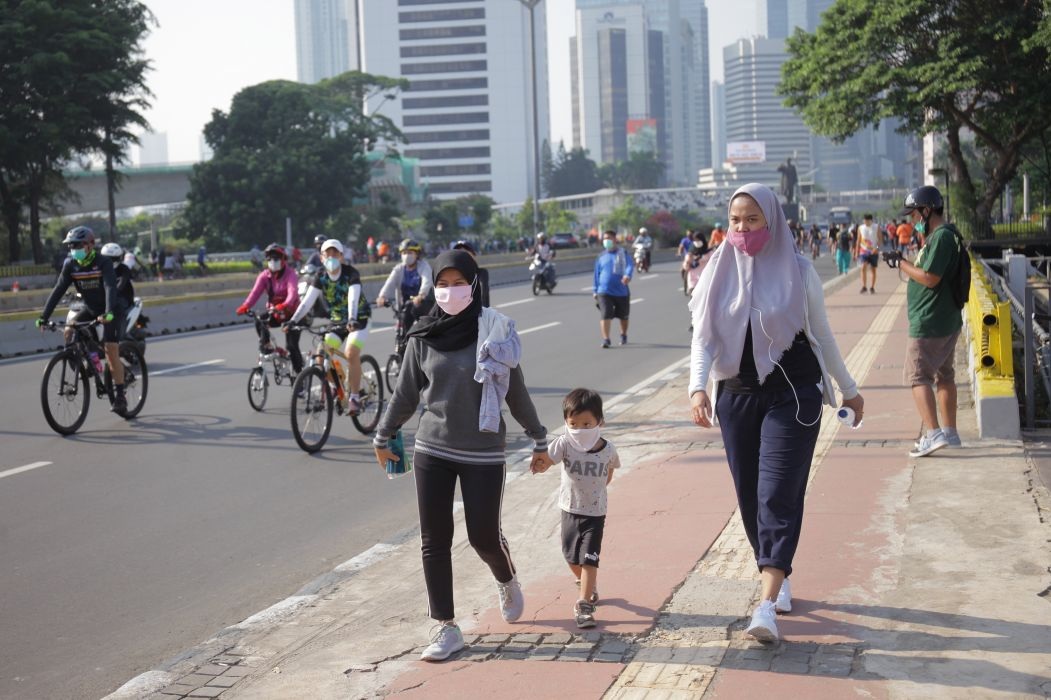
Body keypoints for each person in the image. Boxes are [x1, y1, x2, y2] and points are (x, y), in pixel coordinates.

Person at [688, 183, 864, 643]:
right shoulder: (714, 271)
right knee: (749, 494)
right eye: (735, 220)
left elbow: (822, 335)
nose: (742, 229)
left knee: (777, 493)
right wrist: (696, 389)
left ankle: (765, 604)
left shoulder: (800, 272)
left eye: (752, 220)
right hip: (736, 396)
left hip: (794, 393)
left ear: (772, 221)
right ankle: (779, 573)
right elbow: (704, 337)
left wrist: (850, 389)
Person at [371, 250, 548, 662]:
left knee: (483, 536)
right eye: (442, 283)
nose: (449, 291)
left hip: (484, 450)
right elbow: (406, 392)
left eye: (458, 283)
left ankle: (505, 578)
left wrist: (539, 439)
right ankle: (446, 627)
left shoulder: (495, 332)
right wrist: (384, 433)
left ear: (474, 285)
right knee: (434, 540)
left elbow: (515, 392)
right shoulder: (423, 334)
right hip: (432, 447)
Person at [530, 388, 617, 629]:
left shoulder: (608, 449)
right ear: (566, 423)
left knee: (590, 558)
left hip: (596, 512)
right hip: (570, 509)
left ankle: (584, 605)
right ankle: (587, 585)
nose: (580, 429)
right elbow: (548, 460)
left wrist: (601, 487)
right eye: (574, 423)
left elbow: (610, 470)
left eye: (587, 423)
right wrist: (539, 463)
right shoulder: (565, 443)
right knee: (570, 556)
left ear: (600, 421)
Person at [892, 185, 964, 457]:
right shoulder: (941, 236)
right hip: (943, 318)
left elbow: (930, 278)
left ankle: (933, 434)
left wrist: (901, 263)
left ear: (927, 210)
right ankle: (950, 433)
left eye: (914, 214)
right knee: (945, 375)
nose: (912, 220)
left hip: (931, 321)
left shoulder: (942, 237)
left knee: (918, 375)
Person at [37, 226, 129, 415]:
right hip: (91, 308)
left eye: (77, 245)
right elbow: (58, 290)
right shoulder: (70, 264)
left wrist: (109, 312)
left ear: (90, 245)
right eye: (71, 245)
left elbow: (111, 287)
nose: (73, 248)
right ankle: (86, 361)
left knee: (111, 351)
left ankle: (120, 396)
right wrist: (44, 317)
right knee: (70, 330)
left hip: (111, 309)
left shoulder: (102, 262)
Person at [286, 239, 370, 414]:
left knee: (351, 352)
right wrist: (293, 320)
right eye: (327, 254)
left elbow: (353, 298)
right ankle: (337, 385)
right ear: (322, 257)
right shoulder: (321, 276)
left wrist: (353, 318)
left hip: (359, 319)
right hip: (337, 321)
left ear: (341, 256)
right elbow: (308, 300)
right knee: (321, 354)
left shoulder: (351, 273)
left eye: (335, 254)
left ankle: (354, 398)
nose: (331, 257)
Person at [236, 243, 303, 374]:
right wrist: (245, 306)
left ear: (283, 259)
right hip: (275, 312)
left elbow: (292, 293)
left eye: (276, 258)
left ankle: (299, 377)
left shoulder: (291, 274)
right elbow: (255, 293)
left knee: (292, 346)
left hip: (292, 314)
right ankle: (267, 346)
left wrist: (284, 304)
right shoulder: (264, 276)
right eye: (270, 259)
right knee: (260, 318)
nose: (273, 261)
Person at [375, 238, 435, 336]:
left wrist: (421, 295)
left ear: (417, 254)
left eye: (410, 252)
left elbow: (427, 282)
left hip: (423, 303)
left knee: (423, 324)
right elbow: (390, 283)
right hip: (405, 305)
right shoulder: (399, 269)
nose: (407, 256)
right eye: (404, 253)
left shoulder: (424, 266)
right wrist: (382, 296)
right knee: (403, 327)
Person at [593, 230, 634, 348]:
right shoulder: (601, 256)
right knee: (605, 314)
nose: (606, 241)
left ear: (615, 239)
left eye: (609, 238)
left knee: (623, 316)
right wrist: (595, 290)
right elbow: (596, 273)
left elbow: (629, 266)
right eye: (605, 238)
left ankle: (623, 334)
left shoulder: (622, 253)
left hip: (621, 291)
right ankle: (606, 339)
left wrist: (627, 276)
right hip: (604, 290)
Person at [452, 239, 490, 307]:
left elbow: (483, 296)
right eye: (458, 252)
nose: (461, 255)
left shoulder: (481, 273)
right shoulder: (450, 275)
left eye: (466, 252)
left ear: (473, 254)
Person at [100, 242, 135, 309]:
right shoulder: (99, 269)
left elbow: (121, 284)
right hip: (104, 297)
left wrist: (110, 293)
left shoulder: (124, 269)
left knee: (116, 309)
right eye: (107, 259)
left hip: (123, 297)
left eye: (113, 259)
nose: (110, 262)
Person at [855, 213, 881, 293]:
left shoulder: (876, 227)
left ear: (871, 220)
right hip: (864, 251)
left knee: (873, 269)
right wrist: (856, 252)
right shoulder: (861, 228)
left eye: (867, 220)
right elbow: (858, 240)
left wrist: (876, 249)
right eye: (864, 220)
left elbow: (880, 240)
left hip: (873, 251)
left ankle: (872, 287)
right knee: (863, 267)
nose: (865, 222)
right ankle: (864, 286)